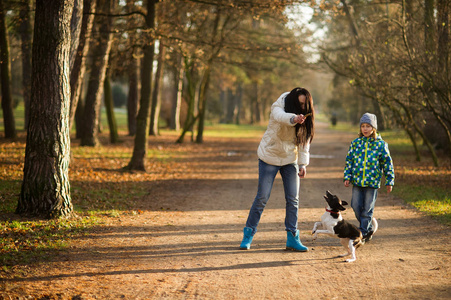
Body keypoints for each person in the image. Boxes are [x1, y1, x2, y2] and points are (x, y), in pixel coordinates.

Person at [239, 87, 315, 251]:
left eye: (304, 105)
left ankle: (292, 237)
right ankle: (248, 235)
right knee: (262, 198)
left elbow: (304, 142)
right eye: (299, 104)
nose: (302, 108)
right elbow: (279, 117)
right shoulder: (279, 105)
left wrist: (302, 164)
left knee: (293, 199)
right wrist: (294, 118)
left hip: (290, 159)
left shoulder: (305, 117)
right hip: (269, 156)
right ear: (293, 101)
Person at [343, 112, 395, 242]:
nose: (365, 129)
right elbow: (349, 160)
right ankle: (369, 226)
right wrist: (347, 176)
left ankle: (364, 232)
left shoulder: (381, 145)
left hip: (372, 183)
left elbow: (387, 163)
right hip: (357, 181)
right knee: (355, 205)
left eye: (368, 126)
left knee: (367, 209)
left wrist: (389, 180)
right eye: (363, 126)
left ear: (373, 128)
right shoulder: (356, 143)